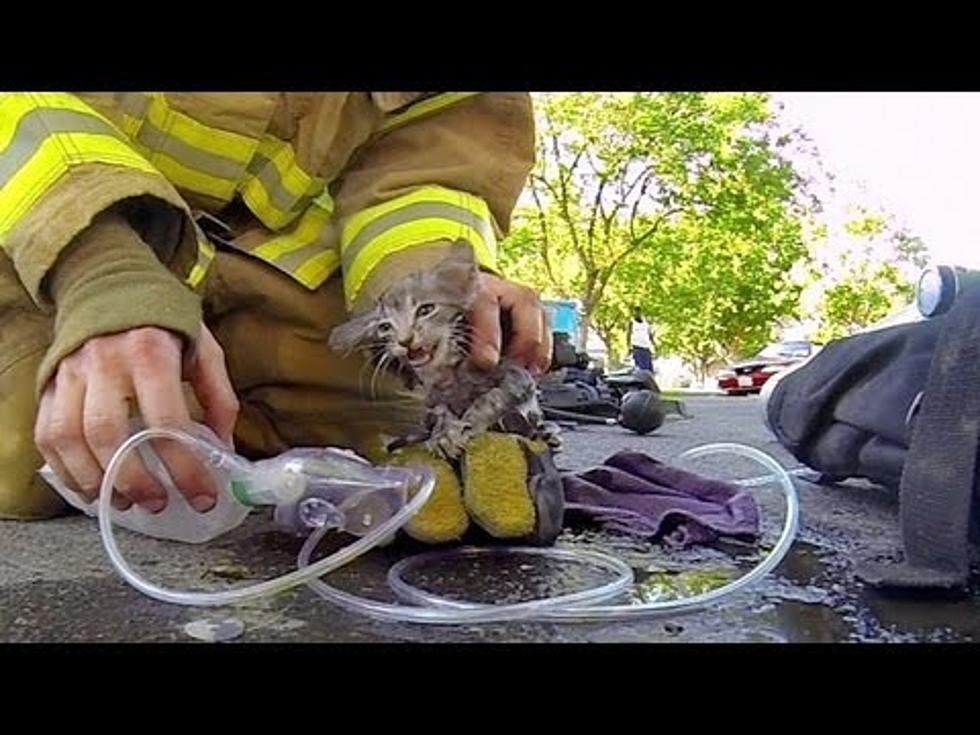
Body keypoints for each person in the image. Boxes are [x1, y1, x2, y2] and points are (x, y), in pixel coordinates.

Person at [0, 92, 552, 532]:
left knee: (397, 422)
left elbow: (429, 161)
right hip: (41, 232)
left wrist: (429, 282)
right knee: (39, 451)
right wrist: (104, 278)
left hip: (267, 262)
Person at [629, 306, 655, 372]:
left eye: (638, 312)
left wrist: (654, 344)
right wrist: (629, 346)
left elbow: (649, 334)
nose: (637, 314)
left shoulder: (645, 323)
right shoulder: (632, 322)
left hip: (646, 348)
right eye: (635, 312)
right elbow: (629, 334)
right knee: (641, 369)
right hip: (637, 348)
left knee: (649, 369)